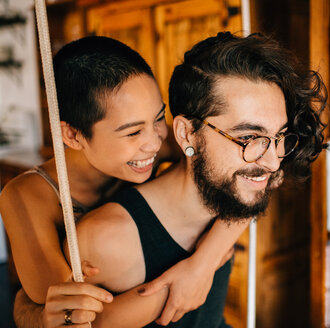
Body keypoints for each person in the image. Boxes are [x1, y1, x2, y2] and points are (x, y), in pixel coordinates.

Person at [72, 31, 327, 327]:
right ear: (187, 134)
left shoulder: (234, 185)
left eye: (279, 136)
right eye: (248, 137)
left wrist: (203, 264)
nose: (271, 162)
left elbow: (274, 176)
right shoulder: (106, 241)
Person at [0, 36, 247, 328]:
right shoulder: (26, 196)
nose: (154, 142)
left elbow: (252, 168)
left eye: (157, 118)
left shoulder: (161, 144)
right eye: (132, 133)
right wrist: (193, 274)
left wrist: (203, 262)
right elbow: (74, 315)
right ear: (72, 135)